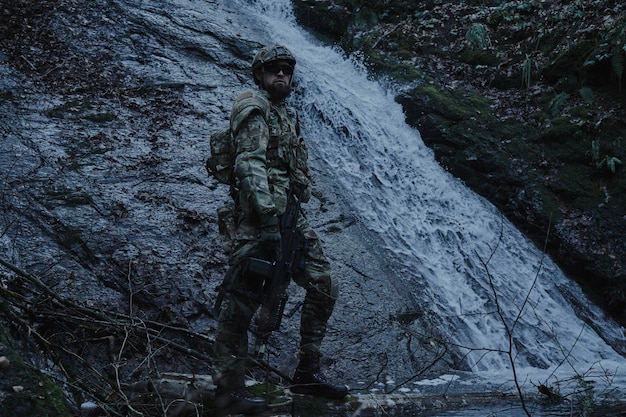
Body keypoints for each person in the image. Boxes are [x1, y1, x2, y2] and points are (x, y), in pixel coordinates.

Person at [211, 44, 348, 414]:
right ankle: (227, 386)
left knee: (323, 282)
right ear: (259, 74)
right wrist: (268, 218)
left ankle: (307, 370)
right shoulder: (254, 108)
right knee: (243, 298)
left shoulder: (285, 114)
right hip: (258, 219)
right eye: (274, 69)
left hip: (290, 219)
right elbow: (248, 165)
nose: (282, 75)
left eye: (287, 69)